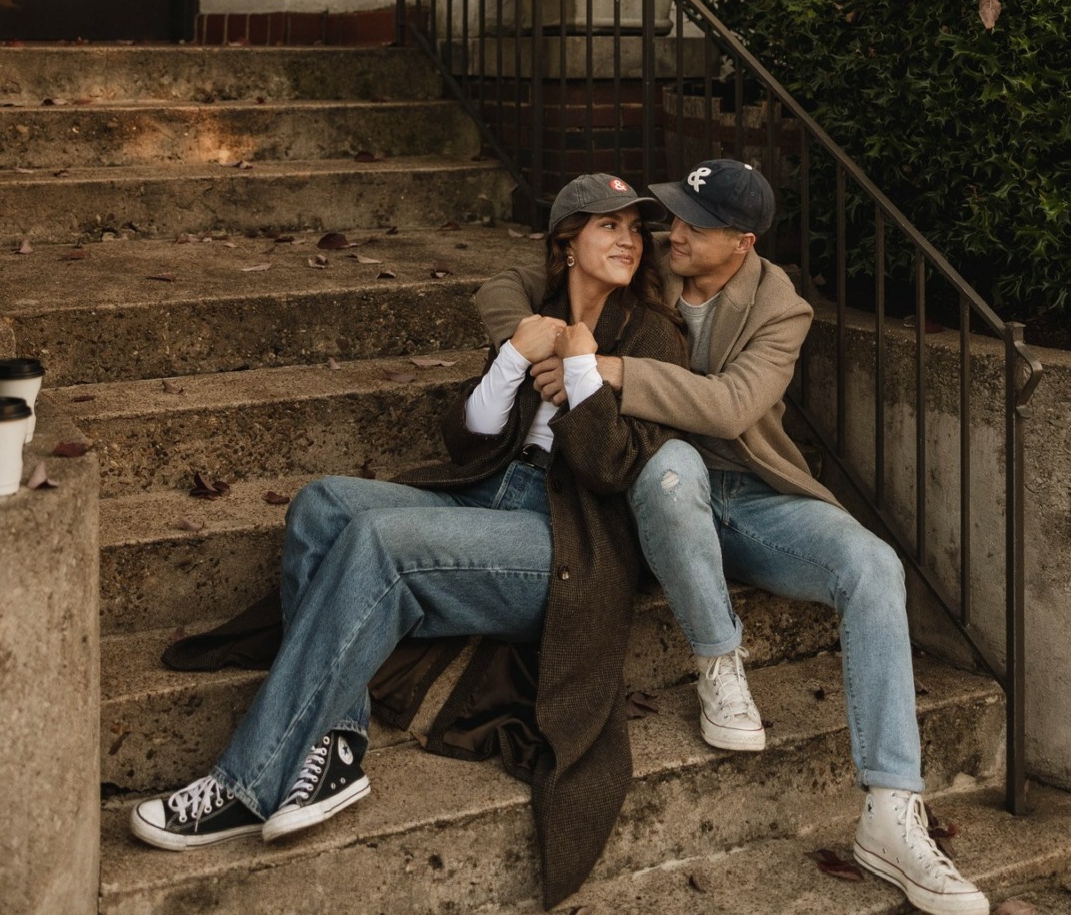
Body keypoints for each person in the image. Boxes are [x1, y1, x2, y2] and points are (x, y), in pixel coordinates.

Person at [129, 172, 689, 911]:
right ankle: (335, 743)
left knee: (383, 540)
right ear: (566, 242)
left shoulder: (652, 334)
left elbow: (614, 468)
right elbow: (468, 442)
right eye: (607, 225)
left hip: (567, 543)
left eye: (634, 228)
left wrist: (583, 373)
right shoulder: (540, 316)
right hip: (492, 493)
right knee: (323, 505)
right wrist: (513, 358)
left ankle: (248, 782)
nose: (628, 240)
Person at [475, 158, 991, 915]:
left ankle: (891, 808)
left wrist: (609, 368)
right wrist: (539, 350)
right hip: (647, 478)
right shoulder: (648, 255)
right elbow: (508, 285)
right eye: (675, 215)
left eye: (696, 224)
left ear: (742, 243)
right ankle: (719, 661)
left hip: (747, 494)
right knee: (674, 469)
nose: (673, 232)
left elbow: (729, 407)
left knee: (873, 564)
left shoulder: (780, 307)